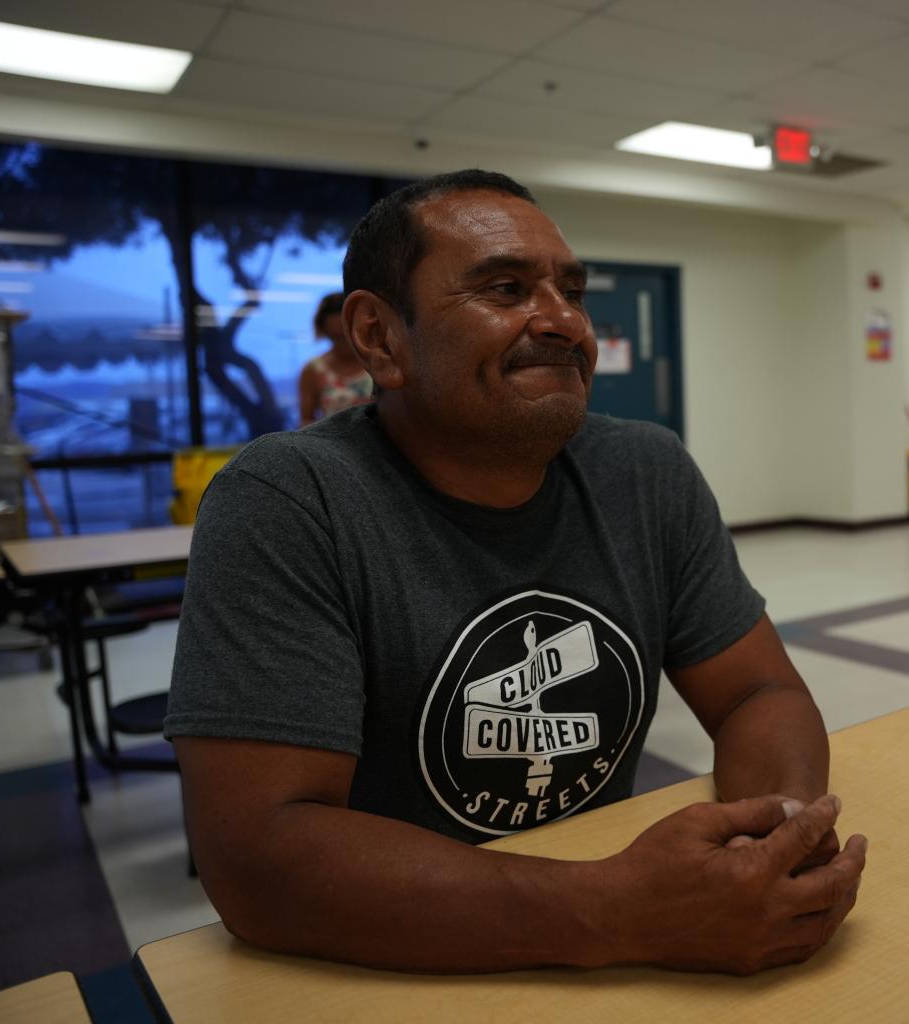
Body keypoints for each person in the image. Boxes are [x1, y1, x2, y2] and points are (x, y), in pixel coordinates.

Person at [164, 170, 866, 974]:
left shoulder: (646, 470)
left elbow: (757, 693)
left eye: (572, 290)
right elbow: (260, 859)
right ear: (382, 339)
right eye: (505, 288)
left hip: (598, 941)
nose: (566, 321)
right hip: (382, 965)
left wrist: (773, 840)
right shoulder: (286, 502)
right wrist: (620, 912)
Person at [297, 291, 374, 424]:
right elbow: (306, 420)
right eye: (335, 337)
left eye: (345, 336)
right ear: (324, 332)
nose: (343, 344)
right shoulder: (313, 370)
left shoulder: (377, 362)